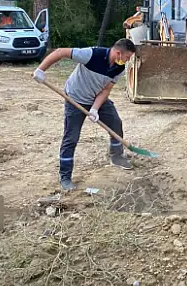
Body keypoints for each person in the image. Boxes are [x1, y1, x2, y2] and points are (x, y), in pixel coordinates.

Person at [32, 39, 137, 191]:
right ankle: (65, 177)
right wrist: (41, 70)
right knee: (71, 137)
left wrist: (95, 108)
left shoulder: (119, 68)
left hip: (96, 98)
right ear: (118, 53)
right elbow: (61, 51)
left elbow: (106, 90)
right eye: (127, 57)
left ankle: (117, 156)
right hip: (75, 98)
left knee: (115, 122)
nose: (128, 61)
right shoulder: (91, 54)